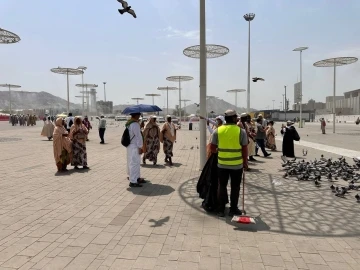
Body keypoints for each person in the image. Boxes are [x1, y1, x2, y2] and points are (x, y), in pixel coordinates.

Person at [210, 109, 248, 217]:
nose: (237, 118)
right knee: (235, 187)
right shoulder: (241, 131)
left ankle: (221, 210)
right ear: (233, 118)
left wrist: (219, 151)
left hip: (222, 164)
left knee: (222, 186)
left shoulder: (218, 130)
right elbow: (244, 149)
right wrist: (245, 163)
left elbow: (212, 148)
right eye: (236, 117)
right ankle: (233, 210)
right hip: (237, 165)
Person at [126, 113, 145, 187]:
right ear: (136, 115)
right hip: (135, 146)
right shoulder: (135, 124)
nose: (139, 116)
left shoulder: (129, 123)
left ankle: (137, 178)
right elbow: (138, 137)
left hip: (131, 145)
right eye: (139, 114)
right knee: (134, 163)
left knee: (135, 163)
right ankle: (133, 181)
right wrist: (140, 147)